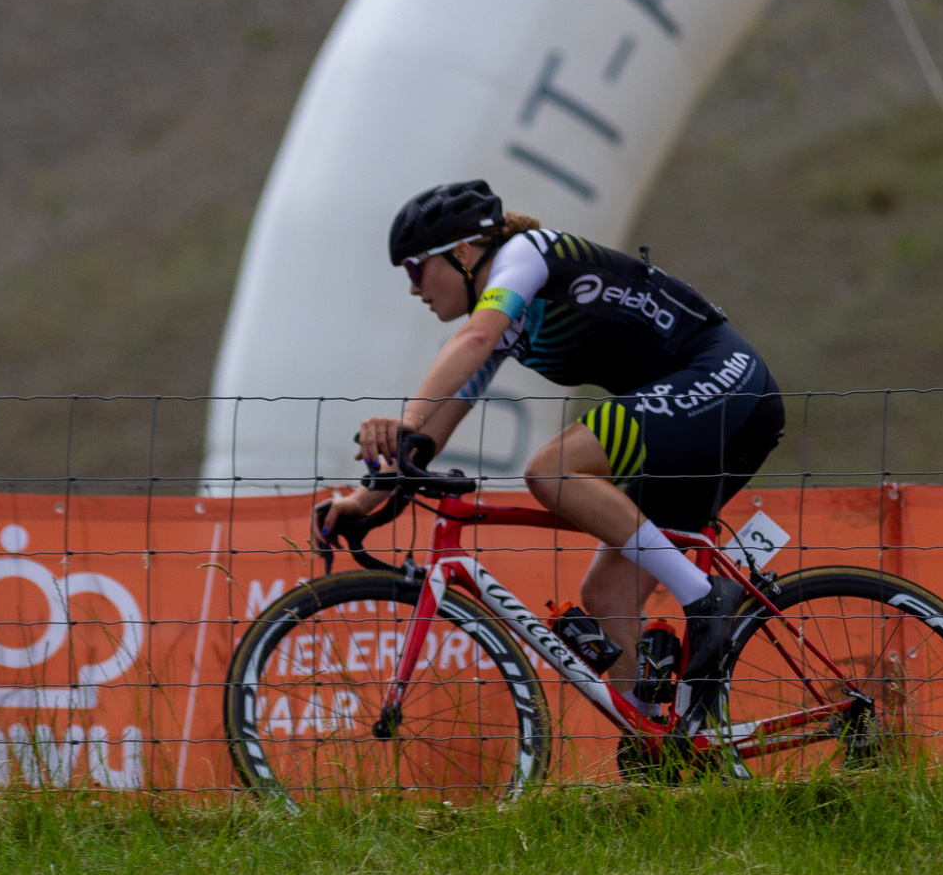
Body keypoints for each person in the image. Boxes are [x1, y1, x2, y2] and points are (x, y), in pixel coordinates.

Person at [319, 179, 784, 692]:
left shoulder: (526, 255)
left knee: (552, 470)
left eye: (414, 268)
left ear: (463, 252)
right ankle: (659, 748)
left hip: (724, 379)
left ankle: (704, 597)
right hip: (693, 415)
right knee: (607, 594)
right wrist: (364, 499)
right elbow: (429, 434)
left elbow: (472, 341)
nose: (412, 288)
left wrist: (403, 418)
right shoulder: (503, 327)